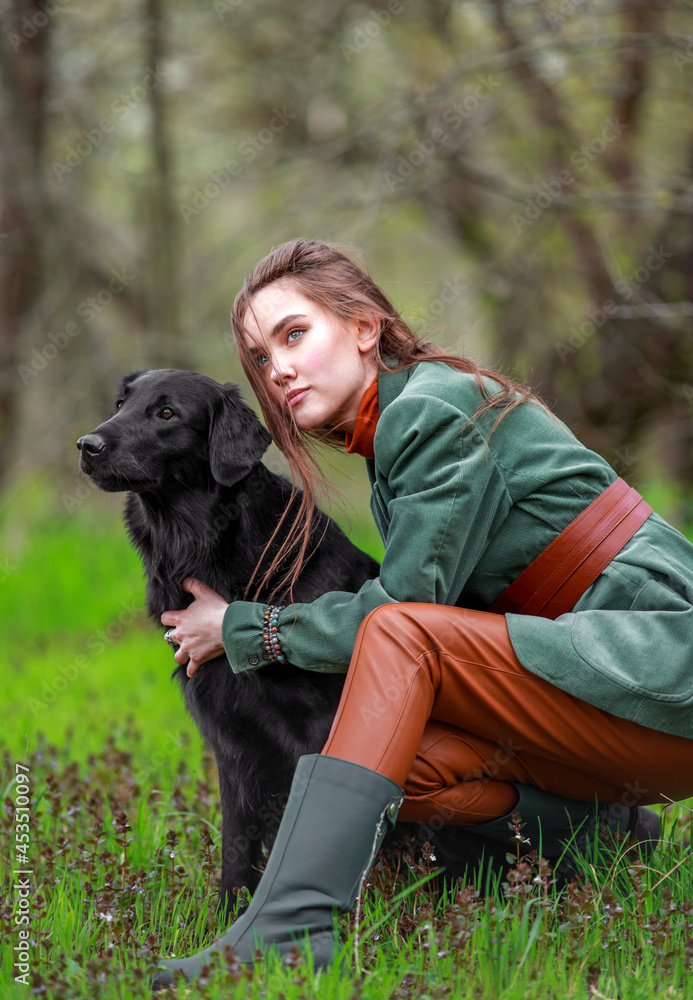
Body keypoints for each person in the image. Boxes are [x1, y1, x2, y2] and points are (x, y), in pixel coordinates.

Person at [151, 239, 693, 989]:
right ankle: (601, 839)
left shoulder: (431, 410)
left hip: (662, 669)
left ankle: (291, 929)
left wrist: (244, 626)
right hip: (607, 701)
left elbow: (406, 612)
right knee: (388, 753)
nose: (276, 369)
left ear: (365, 327)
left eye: (293, 334)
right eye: (259, 357)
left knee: (400, 633)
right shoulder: (396, 431)